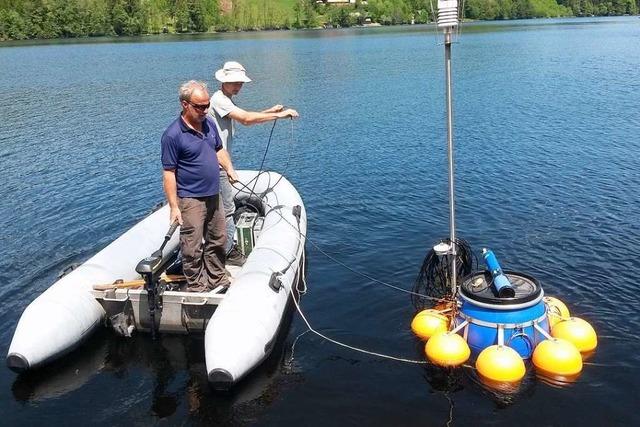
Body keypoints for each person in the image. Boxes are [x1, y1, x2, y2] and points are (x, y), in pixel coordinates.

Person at [209, 61, 299, 265]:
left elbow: (243, 116)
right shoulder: (219, 100)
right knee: (228, 208)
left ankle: (220, 248)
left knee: (221, 207)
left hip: (218, 162)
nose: (238, 86)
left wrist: (269, 111)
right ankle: (229, 253)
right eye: (234, 82)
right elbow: (246, 119)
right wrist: (280, 115)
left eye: (240, 82)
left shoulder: (224, 99)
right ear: (224, 81)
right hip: (217, 164)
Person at [161, 80, 238, 292]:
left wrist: (229, 168)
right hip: (190, 198)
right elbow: (169, 173)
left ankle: (216, 278)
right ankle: (196, 285)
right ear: (185, 104)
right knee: (192, 246)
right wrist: (174, 207)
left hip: (214, 194)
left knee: (218, 238)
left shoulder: (209, 123)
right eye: (200, 106)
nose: (205, 110)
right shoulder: (172, 135)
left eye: (207, 105)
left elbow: (219, 150)